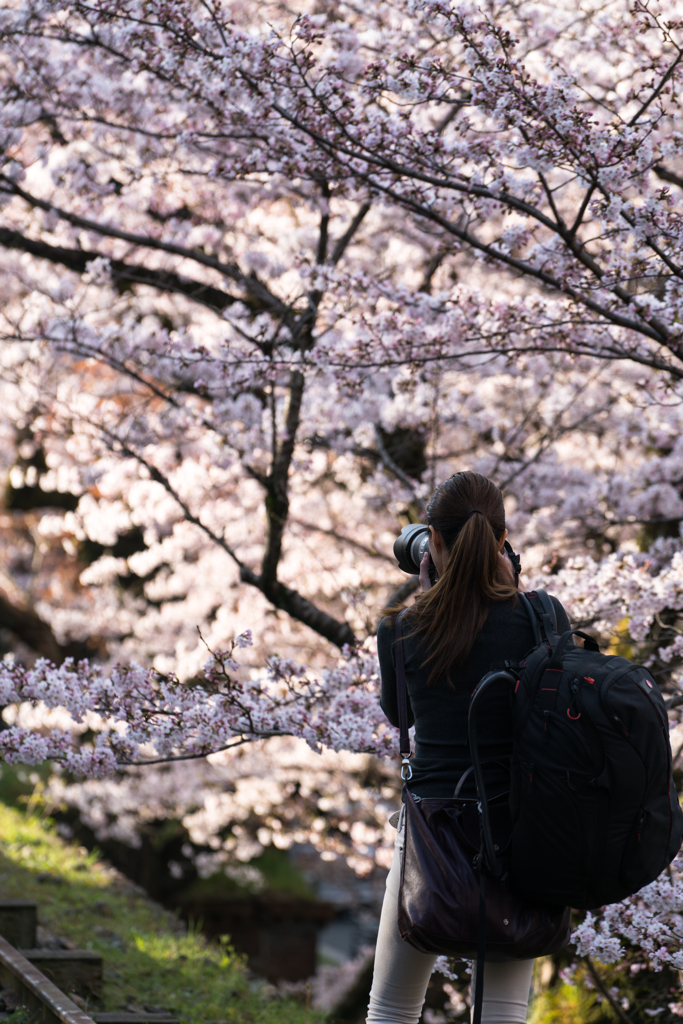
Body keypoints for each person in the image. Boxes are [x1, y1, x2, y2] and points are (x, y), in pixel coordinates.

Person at [367, 471, 571, 1024]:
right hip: (519, 831)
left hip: (432, 835)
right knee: (503, 1013)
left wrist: (430, 602)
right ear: (502, 540)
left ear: (432, 542)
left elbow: (397, 713)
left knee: (390, 1008)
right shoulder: (544, 617)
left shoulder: (402, 629)